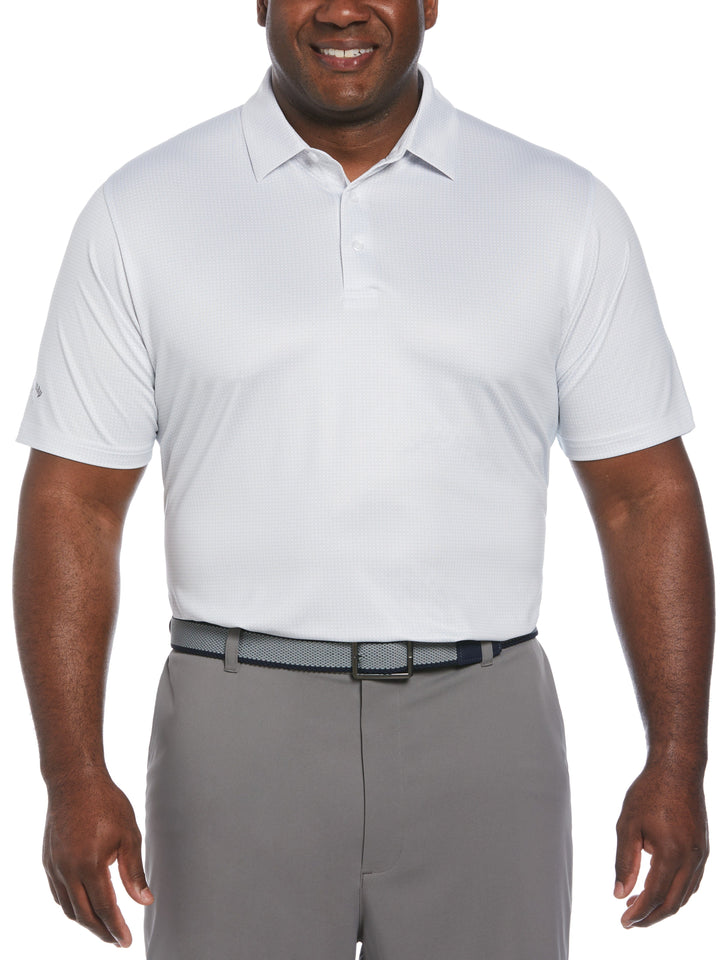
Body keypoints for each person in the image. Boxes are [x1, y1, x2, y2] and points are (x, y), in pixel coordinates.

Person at [13, 1, 713, 958]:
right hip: (234, 731)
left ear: (431, 2)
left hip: (487, 729)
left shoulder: (563, 210)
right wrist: (71, 775)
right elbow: (75, 504)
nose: (344, 8)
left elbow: (646, 498)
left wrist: (678, 758)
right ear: (260, 1)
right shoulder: (142, 211)